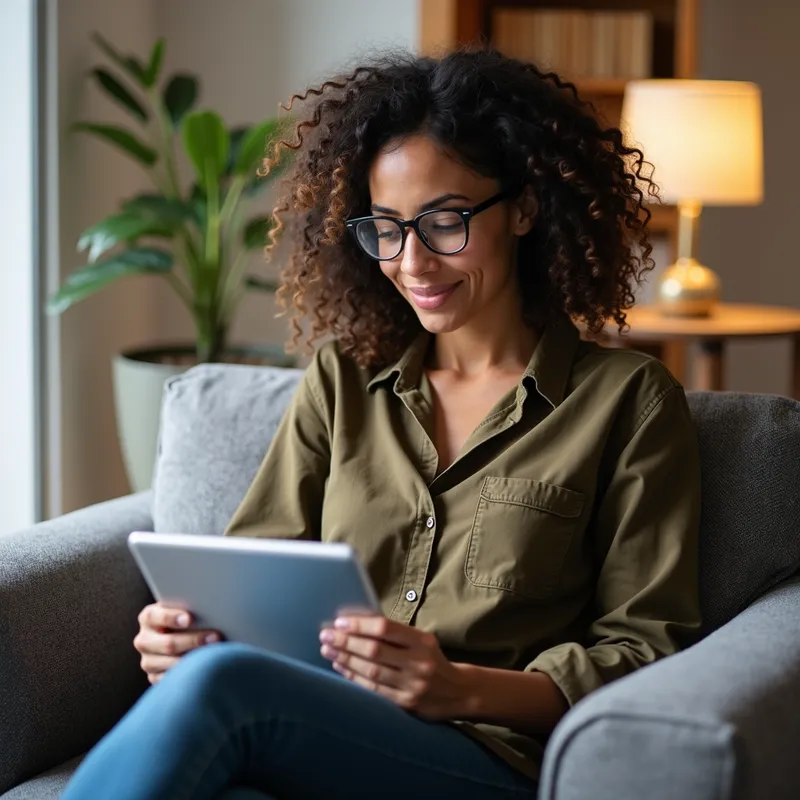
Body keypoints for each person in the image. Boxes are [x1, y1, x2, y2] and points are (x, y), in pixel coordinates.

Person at [62, 48, 702, 800]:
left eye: (445, 222)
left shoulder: (629, 402)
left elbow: (644, 647)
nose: (413, 263)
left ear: (525, 209)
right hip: (314, 732)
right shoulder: (342, 383)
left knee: (222, 689)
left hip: (485, 757)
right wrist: (186, 634)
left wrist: (456, 686)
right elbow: (249, 576)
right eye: (387, 229)